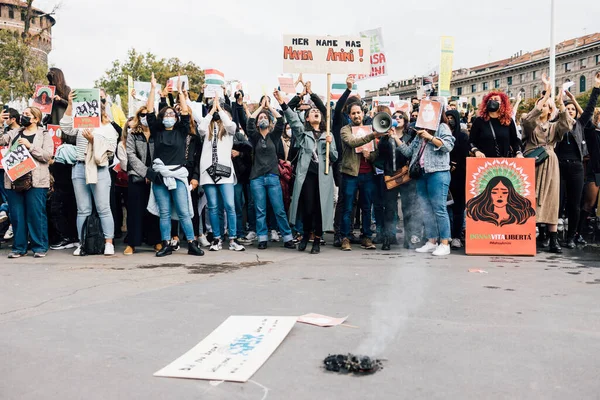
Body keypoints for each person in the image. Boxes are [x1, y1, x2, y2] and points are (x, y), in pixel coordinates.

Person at [145, 73, 204, 257]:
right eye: (166, 113)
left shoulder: (182, 130)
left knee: (184, 212)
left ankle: (192, 244)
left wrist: (180, 92)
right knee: (164, 212)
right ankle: (166, 244)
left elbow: (186, 112)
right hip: (161, 176)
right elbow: (148, 112)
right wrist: (153, 89)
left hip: (178, 175)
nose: (170, 115)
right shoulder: (157, 131)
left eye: (173, 113)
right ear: (162, 118)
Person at [277, 90, 337, 254]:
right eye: (312, 112)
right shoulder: (303, 134)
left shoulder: (328, 135)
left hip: (323, 177)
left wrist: (330, 144)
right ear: (308, 119)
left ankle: (317, 239)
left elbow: (334, 157)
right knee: (308, 208)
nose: (316, 112)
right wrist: (283, 103)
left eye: (317, 111)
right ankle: (305, 235)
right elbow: (294, 121)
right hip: (308, 176)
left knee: (320, 209)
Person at [60, 90, 119, 256]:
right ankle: (82, 242)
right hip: (79, 166)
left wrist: (94, 140)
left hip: (99, 168)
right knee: (83, 209)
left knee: (103, 208)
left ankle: (108, 242)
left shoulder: (108, 128)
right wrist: (70, 105)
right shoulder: (80, 124)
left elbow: (111, 150)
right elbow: (65, 127)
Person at [521, 74, 574, 253]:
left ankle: (553, 240)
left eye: (547, 105)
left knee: (552, 198)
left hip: (550, 163)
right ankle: (527, 236)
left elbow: (567, 123)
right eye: (542, 104)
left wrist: (560, 101)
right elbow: (527, 119)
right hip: (532, 163)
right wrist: (546, 93)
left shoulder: (554, 127)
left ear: (551, 110)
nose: (544, 106)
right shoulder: (531, 126)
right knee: (530, 197)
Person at [397, 101, 455, 256]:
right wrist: (395, 138)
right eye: (425, 110)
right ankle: (431, 240)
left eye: (430, 111)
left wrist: (429, 137)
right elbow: (409, 152)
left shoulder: (442, 128)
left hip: (438, 173)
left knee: (439, 208)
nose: (426, 113)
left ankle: (444, 243)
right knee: (426, 209)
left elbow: (448, 146)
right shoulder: (420, 130)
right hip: (422, 174)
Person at [0, 107, 53, 258]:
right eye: (23, 114)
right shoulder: (14, 133)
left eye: (27, 115)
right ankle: (19, 247)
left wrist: (31, 147)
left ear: (36, 119)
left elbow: (47, 155)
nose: (24, 116)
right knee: (17, 215)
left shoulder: (44, 134)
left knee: (36, 214)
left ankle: (39, 247)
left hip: (36, 181)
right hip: (15, 179)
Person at [246, 95, 296, 250]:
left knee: (279, 209)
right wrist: (261, 107)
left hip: (273, 177)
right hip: (257, 178)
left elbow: (280, 119)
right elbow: (249, 121)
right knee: (260, 210)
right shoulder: (254, 137)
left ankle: (287, 238)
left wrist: (269, 108)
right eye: (260, 118)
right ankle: (262, 239)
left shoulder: (274, 136)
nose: (262, 119)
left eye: (265, 118)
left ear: (269, 122)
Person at [556, 73, 600, 248]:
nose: (570, 111)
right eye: (568, 109)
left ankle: (572, 237)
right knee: (558, 203)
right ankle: (552, 236)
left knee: (575, 204)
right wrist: (560, 97)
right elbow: (557, 109)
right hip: (559, 166)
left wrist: (596, 88)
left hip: (576, 168)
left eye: (573, 109)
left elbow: (589, 109)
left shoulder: (580, 125)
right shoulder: (558, 124)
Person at [198, 94, 245, 252]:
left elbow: (231, 125)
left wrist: (220, 109)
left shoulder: (229, 130)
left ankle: (232, 239)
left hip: (225, 172)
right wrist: (211, 112)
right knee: (213, 207)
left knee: (230, 206)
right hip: (208, 172)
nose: (218, 113)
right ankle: (216, 238)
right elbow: (201, 128)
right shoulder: (207, 129)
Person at [339, 103, 381, 251]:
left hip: (367, 174)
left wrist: (369, 156)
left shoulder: (369, 130)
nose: (356, 116)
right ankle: (345, 237)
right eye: (353, 113)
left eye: (358, 113)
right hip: (350, 174)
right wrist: (371, 136)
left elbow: (376, 153)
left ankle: (366, 236)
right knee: (348, 208)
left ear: (363, 114)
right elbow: (352, 142)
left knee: (366, 208)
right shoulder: (345, 130)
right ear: (349, 116)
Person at [123, 106, 162, 255]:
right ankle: (132, 243)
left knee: (154, 210)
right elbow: (131, 156)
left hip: (154, 177)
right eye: (142, 114)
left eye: (147, 114)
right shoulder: (132, 133)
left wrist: (152, 174)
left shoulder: (156, 133)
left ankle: (156, 241)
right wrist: (146, 173)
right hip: (137, 177)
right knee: (134, 210)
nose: (145, 116)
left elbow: (160, 154)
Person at [470, 91, 523, 159]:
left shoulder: (508, 121)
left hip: (504, 163)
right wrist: (476, 151)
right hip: (483, 163)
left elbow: (515, 141)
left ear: (502, 104)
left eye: (496, 100)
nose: (492, 101)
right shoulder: (479, 121)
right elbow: (471, 141)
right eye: (490, 100)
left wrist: (518, 152)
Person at [466, 176, 536, 226]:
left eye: (504, 192)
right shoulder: (480, 216)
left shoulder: (519, 217)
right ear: (488, 194)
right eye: (494, 192)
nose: (500, 196)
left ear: (511, 194)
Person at [446, 109, 470, 249]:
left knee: (459, 208)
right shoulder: (442, 135)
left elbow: (464, 153)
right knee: (446, 208)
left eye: (452, 117)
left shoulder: (462, 136)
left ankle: (456, 236)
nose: (450, 120)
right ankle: (447, 234)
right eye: (447, 117)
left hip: (459, 175)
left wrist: (455, 164)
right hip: (445, 174)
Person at [580, 107, 600, 238]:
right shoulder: (593, 132)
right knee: (589, 203)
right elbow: (585, 116)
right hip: (595, 172)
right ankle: (578, 232)